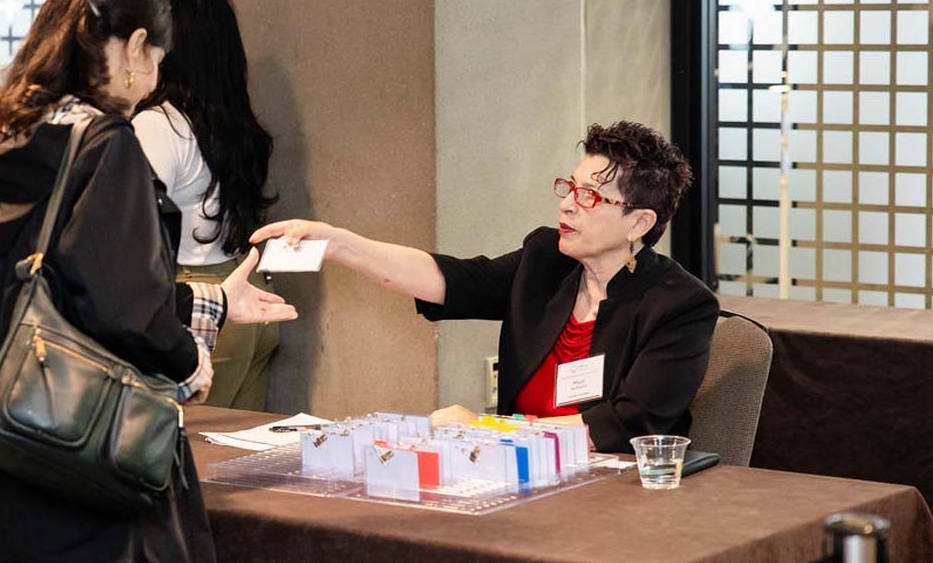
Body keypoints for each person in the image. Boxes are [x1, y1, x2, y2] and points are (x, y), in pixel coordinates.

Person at [0, 0, 296, 563]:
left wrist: (210, 303)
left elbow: (65, 278)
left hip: (1, 439)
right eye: (158, 56)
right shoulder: (107, 143)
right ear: (133, 45)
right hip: (74, 463)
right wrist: (192, 355)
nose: (157, 73)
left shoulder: (5, 130)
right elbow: (126, 307)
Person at [251, 121, 719, 453]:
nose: (569, 206)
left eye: (590, 196)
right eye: (569, 188)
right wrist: (340, 243)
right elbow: (451, 280)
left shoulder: (680, 304)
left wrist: (486, 430)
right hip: (516, 473)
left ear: (639, 222)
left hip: (613, 493)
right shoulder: (546, 260)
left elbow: (627, 425)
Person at [133, 0, 279, 411]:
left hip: (199, 306)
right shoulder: (236, 125)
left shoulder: (158, 124)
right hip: (249, 291)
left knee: (194, 457)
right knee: (242, 459)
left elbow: (135, 231)